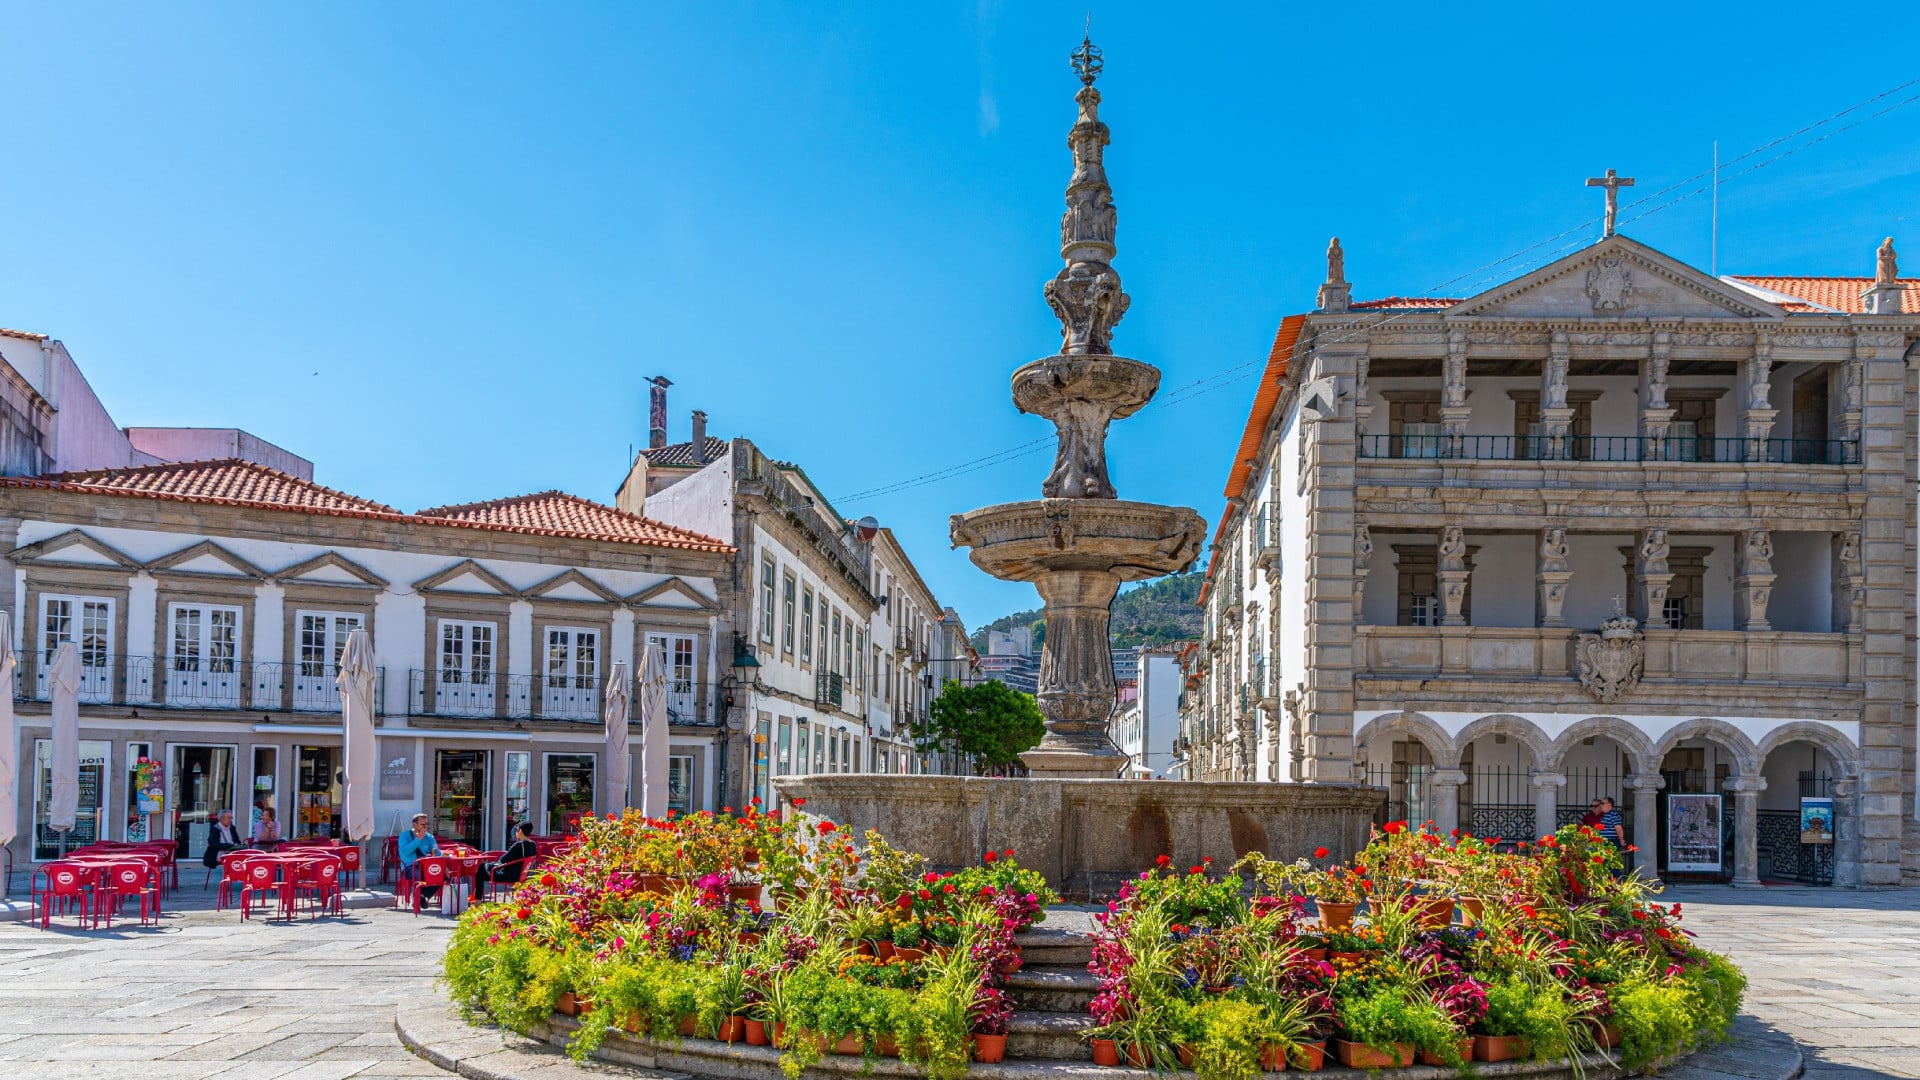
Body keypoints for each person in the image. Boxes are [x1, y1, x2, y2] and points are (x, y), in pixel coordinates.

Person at [482, 822, 538, 895]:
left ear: (520, 831)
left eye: (516, 830)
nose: (516, 832)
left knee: (480, 870)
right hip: (521, 876)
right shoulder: (533, 845)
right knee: (485, 868)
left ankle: (477, 899)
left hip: (508, 876)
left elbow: (503, 860)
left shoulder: (519, 845)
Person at [399, 813, 444, 904]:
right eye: (423, 824)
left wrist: (443, 865)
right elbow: (405, 852)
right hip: (409, 866)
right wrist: (418, 839)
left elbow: (437, 851)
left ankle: (422, 896)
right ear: (415, 825)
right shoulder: (405, 835)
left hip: (425, 865)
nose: (425, 827)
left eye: (427, 824)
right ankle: (420, 896)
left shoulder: (429, 837)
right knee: (420, 876)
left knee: (442, 875)